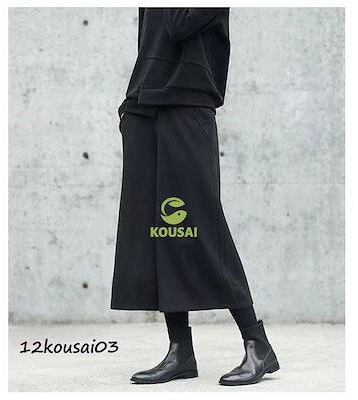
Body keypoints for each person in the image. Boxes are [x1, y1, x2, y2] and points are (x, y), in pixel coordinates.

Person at [111, 8, 279, 386]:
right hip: (143, 105)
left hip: (188, 105)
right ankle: (180, 351)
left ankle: (257, 343)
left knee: (201, 227)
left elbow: (179, 23)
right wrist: (130, 105)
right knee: (161, 232)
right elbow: (151, 37)